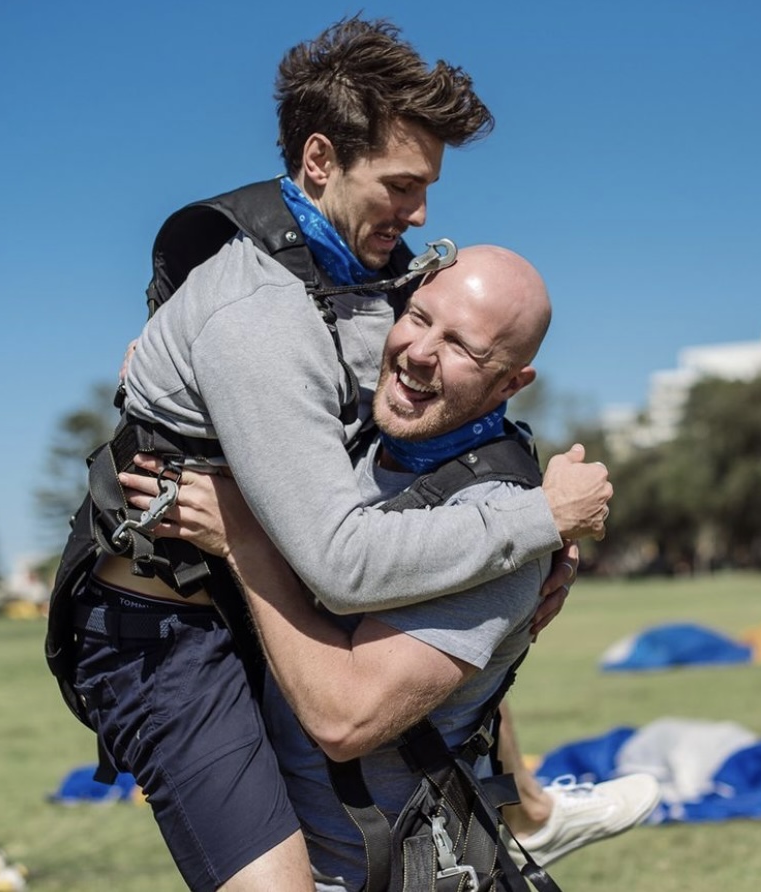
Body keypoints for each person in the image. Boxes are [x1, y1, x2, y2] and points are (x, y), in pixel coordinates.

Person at [58, 18, 610, 892]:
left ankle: (526, 807)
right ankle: (529, 811)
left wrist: (534, 536)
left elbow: (457, 396)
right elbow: (346, 562)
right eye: (402, 184)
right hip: (168, 637)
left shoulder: (358, 275)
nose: (422, 213)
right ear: (320, 161)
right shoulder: (260, 315)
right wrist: (541, 516)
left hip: (257, 594)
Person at [131, 246, 660, 889]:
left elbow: (345, 718)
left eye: (463, 347)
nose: (418, 352)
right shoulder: (353, 440)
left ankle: (539, 815)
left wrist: (243, 544)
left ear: (511, 384)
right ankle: (539, 814)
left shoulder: (496, 529)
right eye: (418, 316)